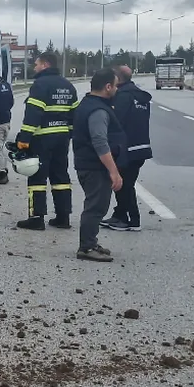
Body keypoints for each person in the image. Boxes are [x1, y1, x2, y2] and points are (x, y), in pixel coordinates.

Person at [15, 52, 78, 230]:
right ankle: (63, 217)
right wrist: (69, 134)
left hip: (42, 138)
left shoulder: (40, 85)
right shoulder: (68, 86)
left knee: (37, 177)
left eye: (36, 64)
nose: (34, 68)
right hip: (62, 138)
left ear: (45, 65)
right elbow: (75, 114)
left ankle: (36, 218)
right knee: (60, 176)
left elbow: (33, 112)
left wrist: (24, 138)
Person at [72, 69, 125, 262]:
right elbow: (100, 141)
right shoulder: (98, 111)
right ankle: (86, 248)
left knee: (96, 205)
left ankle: (91, 242)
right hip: (94, 166)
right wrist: (114, 171)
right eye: (116, 85)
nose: (117, 89)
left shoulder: (87, 104)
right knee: (95, 207)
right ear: (108, 87)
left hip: (87, 164)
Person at [104, 65, 151, 231]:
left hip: (127, 148)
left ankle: (132, 219)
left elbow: (116, 122)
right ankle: (119, 215)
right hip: (142, 146)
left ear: (118, 78)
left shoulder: (123, 96)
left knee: (123, 184)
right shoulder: (140, 96)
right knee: (125, 183)